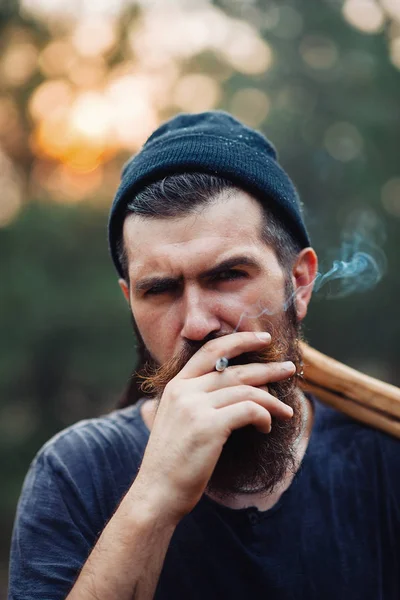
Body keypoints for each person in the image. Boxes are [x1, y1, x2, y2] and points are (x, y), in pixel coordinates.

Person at [8, 111, 400, 600]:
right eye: (160, 290)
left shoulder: (383, 458)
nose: (197, 323)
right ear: (130, 299)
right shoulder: (75, 472)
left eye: (228, 275)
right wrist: (154, 498)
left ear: (299, 282)